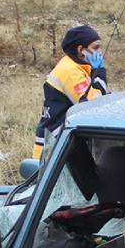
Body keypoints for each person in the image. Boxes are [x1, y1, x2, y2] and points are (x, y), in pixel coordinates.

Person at [33, 25, 109, 158]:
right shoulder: (70, 71)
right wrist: (100, 73)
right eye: (96, 47)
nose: (100, 52)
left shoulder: (78, 67)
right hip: (53, 149)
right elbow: (94, 106)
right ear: (81, 50)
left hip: (63, 143)